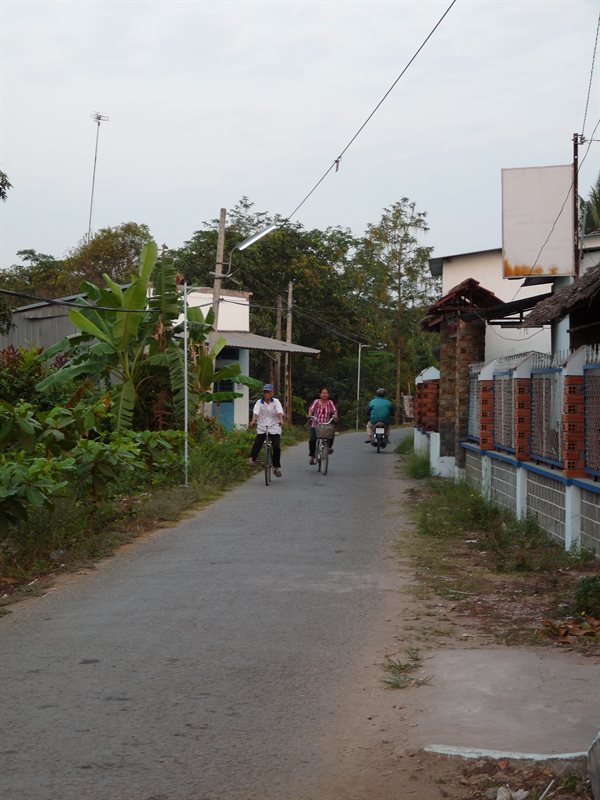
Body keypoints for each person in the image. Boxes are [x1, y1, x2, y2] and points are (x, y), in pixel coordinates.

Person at [249, 384, 284, 477]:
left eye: (268, 392)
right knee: (257, 442)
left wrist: (281, 420)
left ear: (272, 393)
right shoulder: (259, 402)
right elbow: (256, 412)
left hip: (274, 426)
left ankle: (276, 467)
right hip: (262, 426)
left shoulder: (276, 402)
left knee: (276, 447)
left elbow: (279, 411)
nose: (266, 394)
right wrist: (253, 421)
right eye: (265, 392)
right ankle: (252, 459)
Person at [307, 387, 339, 465]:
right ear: (320, 394)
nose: (325, 394)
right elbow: (311, 409)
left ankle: (329, 448)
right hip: (316, 425)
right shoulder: (316, 402)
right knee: (312, 440)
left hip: (326, 425)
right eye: (323, 393)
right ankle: (312, 455)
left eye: (326, 393)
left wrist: (335, 416)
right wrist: (310, 415)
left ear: (328, 394)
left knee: (331, 434)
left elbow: (334, 410)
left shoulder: (330, 402)